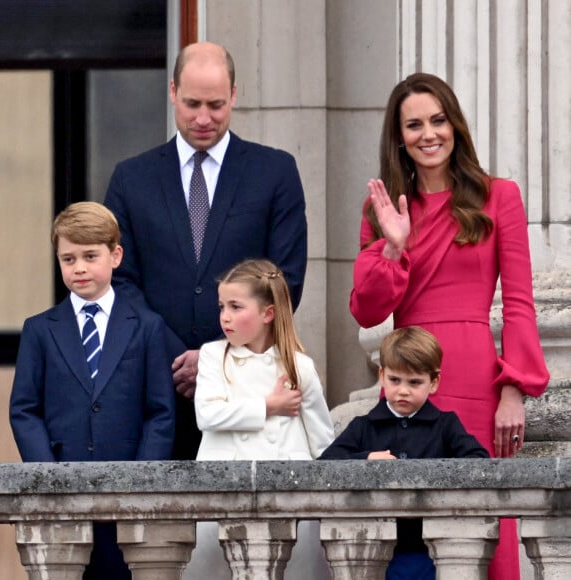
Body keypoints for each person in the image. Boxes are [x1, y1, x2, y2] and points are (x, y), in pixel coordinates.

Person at [349, 72, 550, 579]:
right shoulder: (381, 210)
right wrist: (393, 245)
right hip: (408, 378)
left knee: (486, 513)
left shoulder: (498, 196)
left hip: (477, 379)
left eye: (438, 120)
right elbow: (368, 311)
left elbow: (521, 303)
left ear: (455, 126)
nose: (428, 134)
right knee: (407, 519)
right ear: (399, 137)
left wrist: (514, 389)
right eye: (413, 124)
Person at [103, 41, 308, 460]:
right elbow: (118, 279)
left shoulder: (275, 171)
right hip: (155, 390)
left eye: (215, 104)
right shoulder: (131, 178)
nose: (202, 118)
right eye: (192, 103)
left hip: (247, 389)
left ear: (235, 95)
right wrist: (177, 356)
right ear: (172, 91)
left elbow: (285, 278)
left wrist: (216, 357)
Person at [9, 202, 175, 580]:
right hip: (62, 487)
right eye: (68, 258)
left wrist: (142, 479)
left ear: (115, 256)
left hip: (128, 492)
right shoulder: (39, 329)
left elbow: (160, 411)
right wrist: (47, 476)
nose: (79, 267)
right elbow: (24, 408)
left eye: (89, 256)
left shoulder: (147, 327)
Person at [184, 258, 334, 579]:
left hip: (289, 498)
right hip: (222, 491)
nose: (225, 316)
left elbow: (322, 442)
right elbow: (207, 414)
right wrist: (268, 406)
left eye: (236, 307)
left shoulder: (299, 366)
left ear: (268, 313)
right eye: (222, 306)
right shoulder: (213, 356)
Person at [319, 326, 489, 579]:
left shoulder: (445, 425)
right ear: (382, 375)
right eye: (395, 380)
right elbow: (324, 465)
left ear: (434, 382)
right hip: (378, 548)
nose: (403, 390)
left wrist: (437, 473)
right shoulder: (364, 426)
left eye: (415, 382)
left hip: (433, 549)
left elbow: (479, 460)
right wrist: (365, 459)